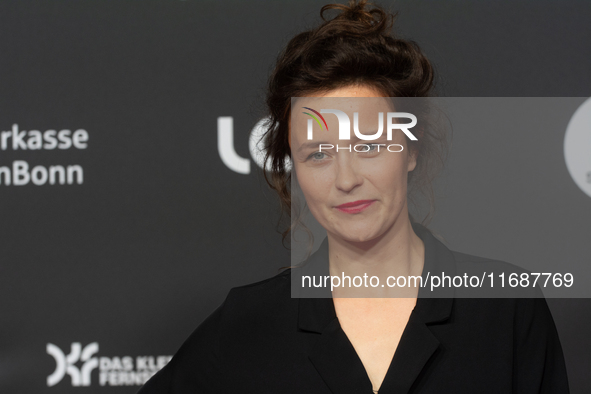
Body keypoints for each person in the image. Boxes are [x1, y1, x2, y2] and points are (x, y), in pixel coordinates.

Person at [138, 1, 569, 393]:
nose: (345, 179)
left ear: (411, 151)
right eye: (318, 154)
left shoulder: (506, 306)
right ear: (294, 169)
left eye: (367, 146)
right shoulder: (250, 320)